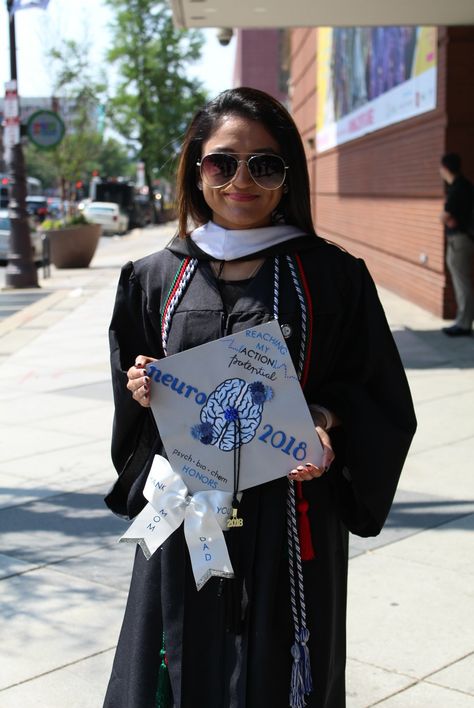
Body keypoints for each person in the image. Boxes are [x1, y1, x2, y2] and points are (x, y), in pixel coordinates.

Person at [103, 87, 416, 708]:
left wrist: (325, 420)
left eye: (264, 164)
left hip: (291, 509)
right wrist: (142, 388)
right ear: (198, 170)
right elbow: (135, 404)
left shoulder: (332, 275)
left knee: (280, 668)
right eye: (222, 162)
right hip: (187, 507)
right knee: (180, 656)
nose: (240, 180)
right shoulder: (155, 276)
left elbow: (375, 391)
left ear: (288, 175)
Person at [439, 152, 474, 336]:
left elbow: (444, 216)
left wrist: (444, 218)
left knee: (462, 283)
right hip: (463, 239)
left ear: (445, 168)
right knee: (462, 282)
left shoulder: (458, 188)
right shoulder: (465, 186)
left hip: (460, 241)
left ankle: (464, 323)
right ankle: (463, 320)